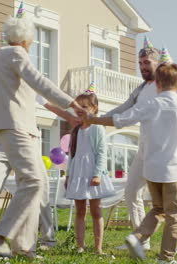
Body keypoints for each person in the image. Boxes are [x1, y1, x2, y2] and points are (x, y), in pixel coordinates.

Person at [0, 16, 85, 259]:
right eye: (32, 40)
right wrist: (71, 102)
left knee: (33, 184)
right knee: (34, 182)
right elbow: (39, 81)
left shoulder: (2, 58)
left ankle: (24, 246)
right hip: (16, 127)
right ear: (26, 40)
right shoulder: (15, 54)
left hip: (17, 128)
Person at [84, 63, 177, 264]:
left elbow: (120, 119)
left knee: (158, 209)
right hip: (174, 169)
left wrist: (93, 120)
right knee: (174, 215)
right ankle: (166, 258)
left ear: (157, 84)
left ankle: (136, 237)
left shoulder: (149, 105)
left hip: (151, 168)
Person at [0, 76, 80, 250]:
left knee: (40, 187)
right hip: (1, 141)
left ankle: (47, 239)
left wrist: (69, 116)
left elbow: (48, 104)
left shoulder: (28, 79)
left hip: (28, 140)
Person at [64, 87, 115, 255]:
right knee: (80, 210)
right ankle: (80, 245)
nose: (81, 111)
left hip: (92, 171)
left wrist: (97, 174)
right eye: (79, 107)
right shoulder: (76, 130)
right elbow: (72, 154)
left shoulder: (97, 128)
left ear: (94, 109)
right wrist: (68, 175)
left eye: (85, 107)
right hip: (78, 172)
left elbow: (101, 152)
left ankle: (98, 247)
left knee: (95, 210)